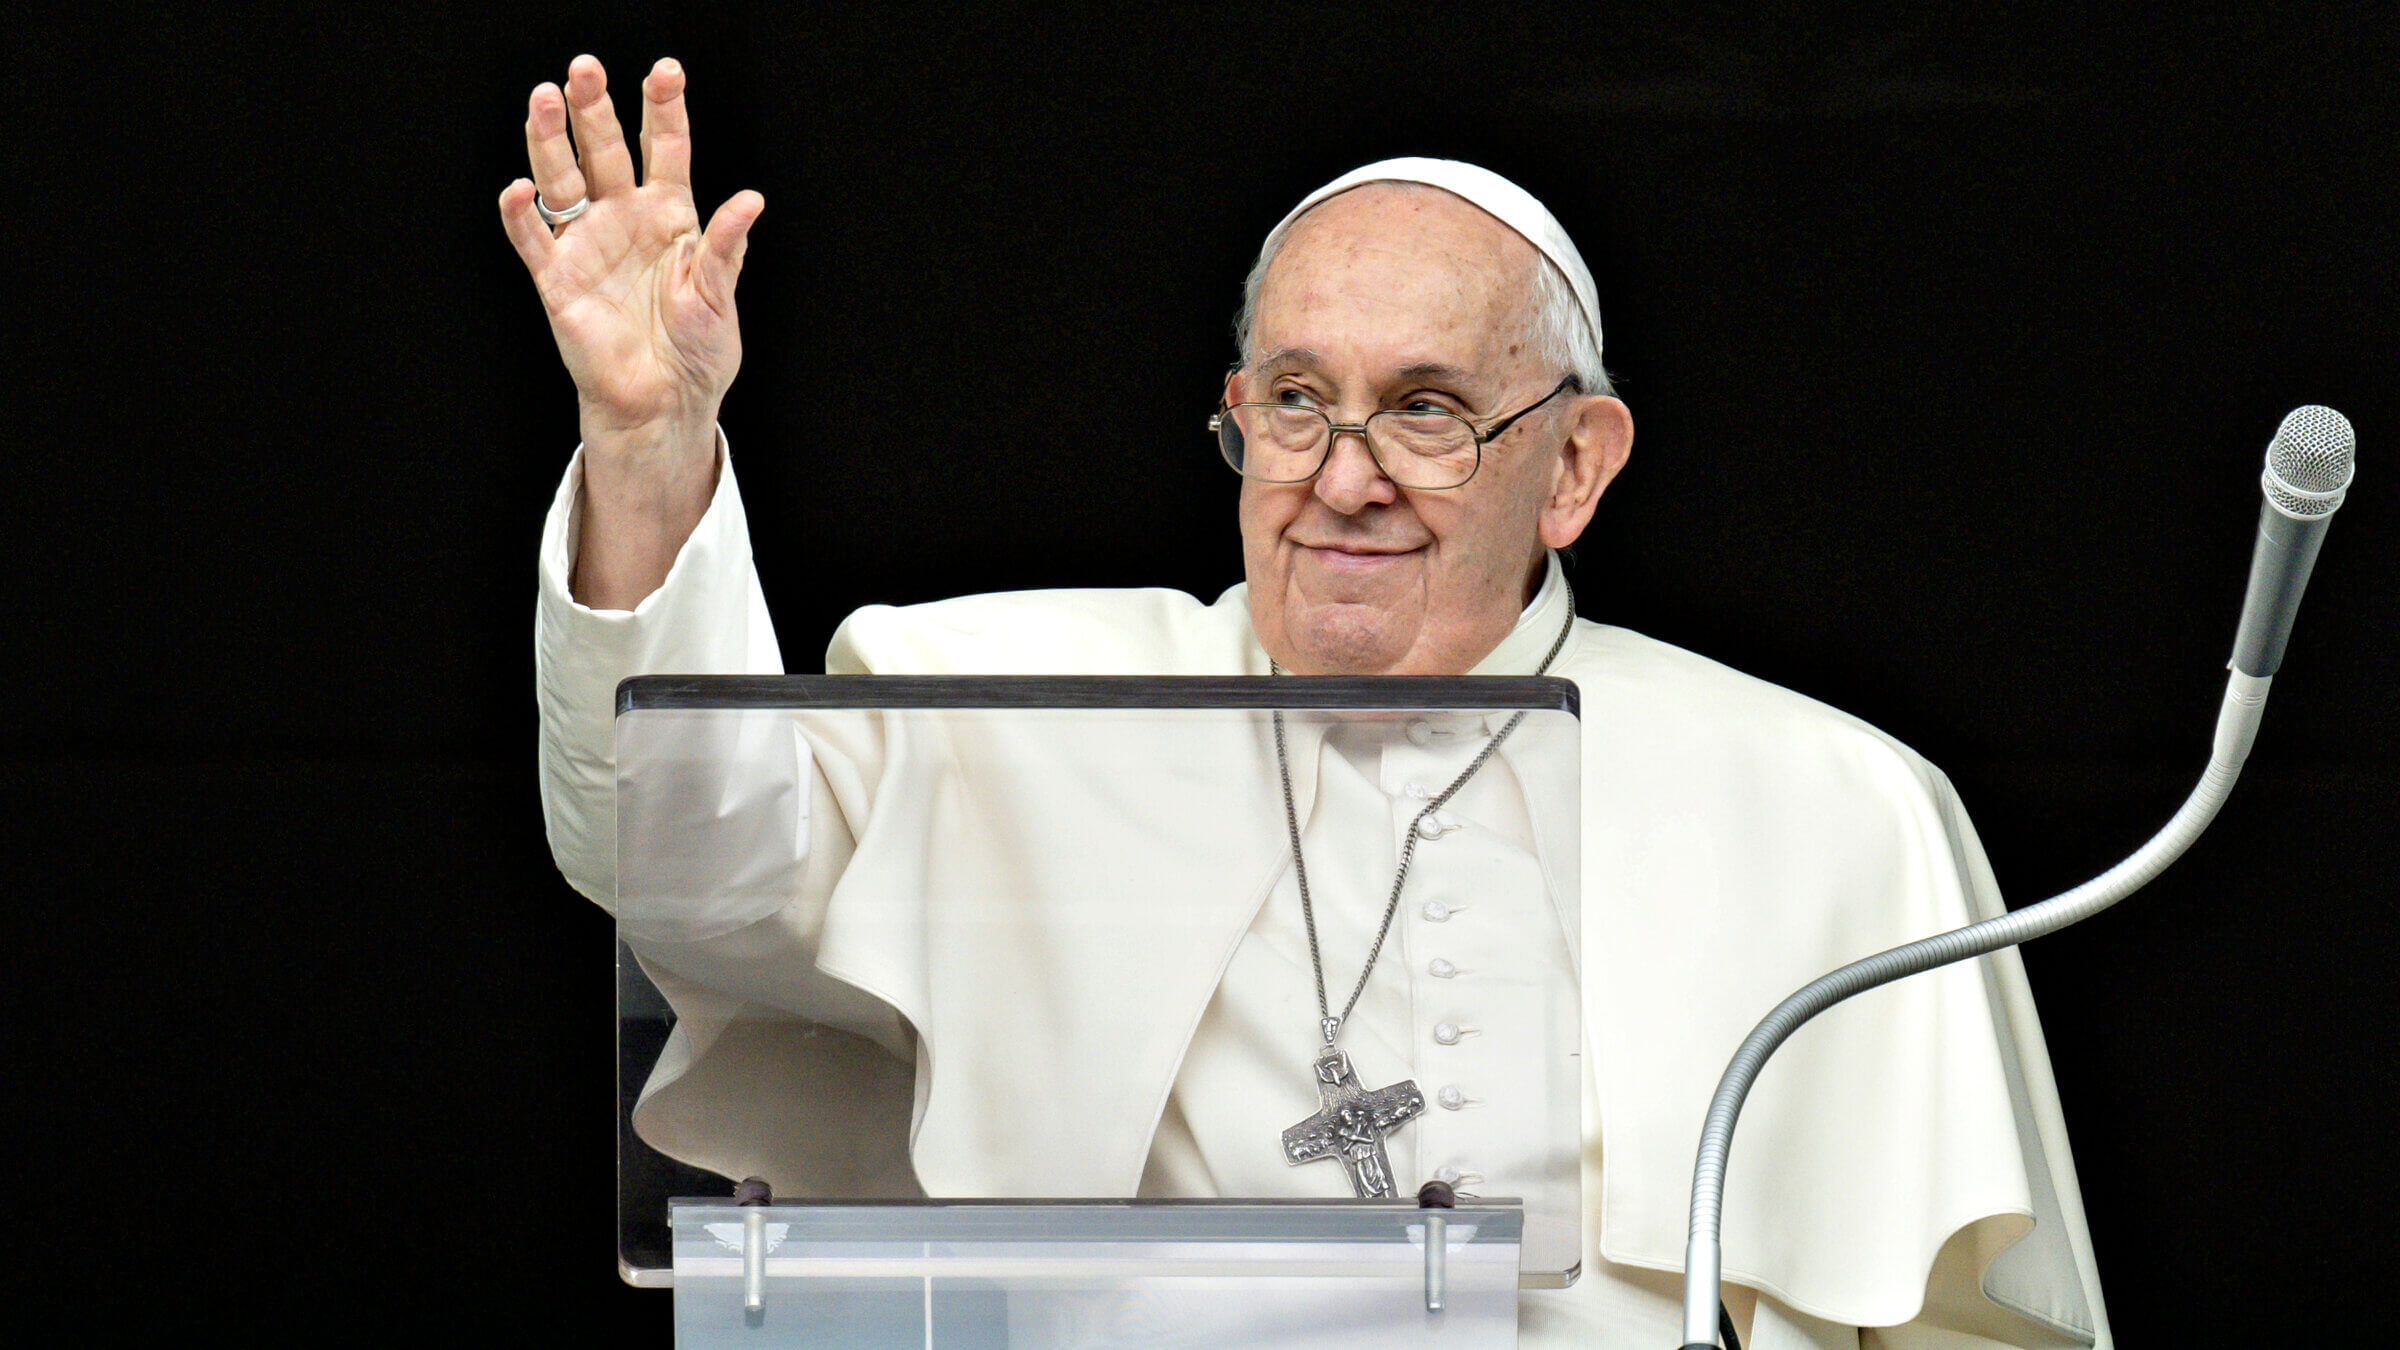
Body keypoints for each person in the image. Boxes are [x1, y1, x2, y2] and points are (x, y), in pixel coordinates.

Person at [508, 55, 2112, 1348]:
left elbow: (1965, 1328)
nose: (1342, 479)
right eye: (1295, 402)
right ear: (1236, 416)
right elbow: (674, 860)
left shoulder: (1826, 803)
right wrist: (648, 447)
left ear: (1573, 465)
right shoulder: (1023, 711)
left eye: (1425, 411)